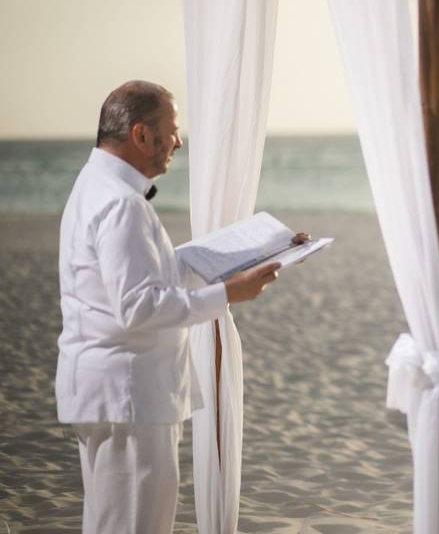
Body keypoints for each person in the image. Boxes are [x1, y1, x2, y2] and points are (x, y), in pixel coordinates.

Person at [55, 80, 301, 534]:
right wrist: (229, 293)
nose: (179, 141)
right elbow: (138, 307)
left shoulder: (96, 185)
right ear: (141, 135)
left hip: (112, 393)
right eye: (172, 129)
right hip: (129, 398)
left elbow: (152, 275)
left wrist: (258, 250)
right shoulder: (120, 204)